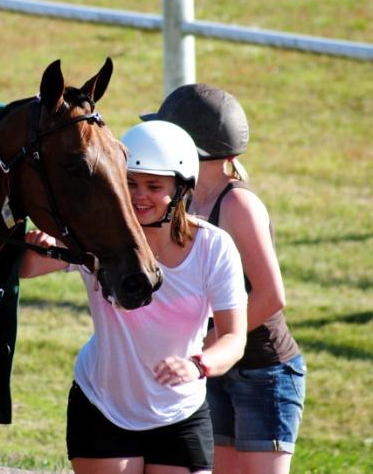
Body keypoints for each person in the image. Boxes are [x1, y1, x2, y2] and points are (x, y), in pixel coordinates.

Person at [20, 120, 248, 474]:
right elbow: (26, 270)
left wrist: (197, 365)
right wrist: (35, 250)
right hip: (103, 405)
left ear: (182, 189)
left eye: (153, 186)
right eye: (130, 183)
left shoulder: (214, 247)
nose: (139, 195)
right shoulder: (99, 238)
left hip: (180, 413)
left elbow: (234, 338)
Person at [141, 84, 306, 474]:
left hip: (262, 372)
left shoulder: (237, 204)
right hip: (212, 367)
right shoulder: (181, 200)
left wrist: (204, 349)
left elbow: (270, 296)